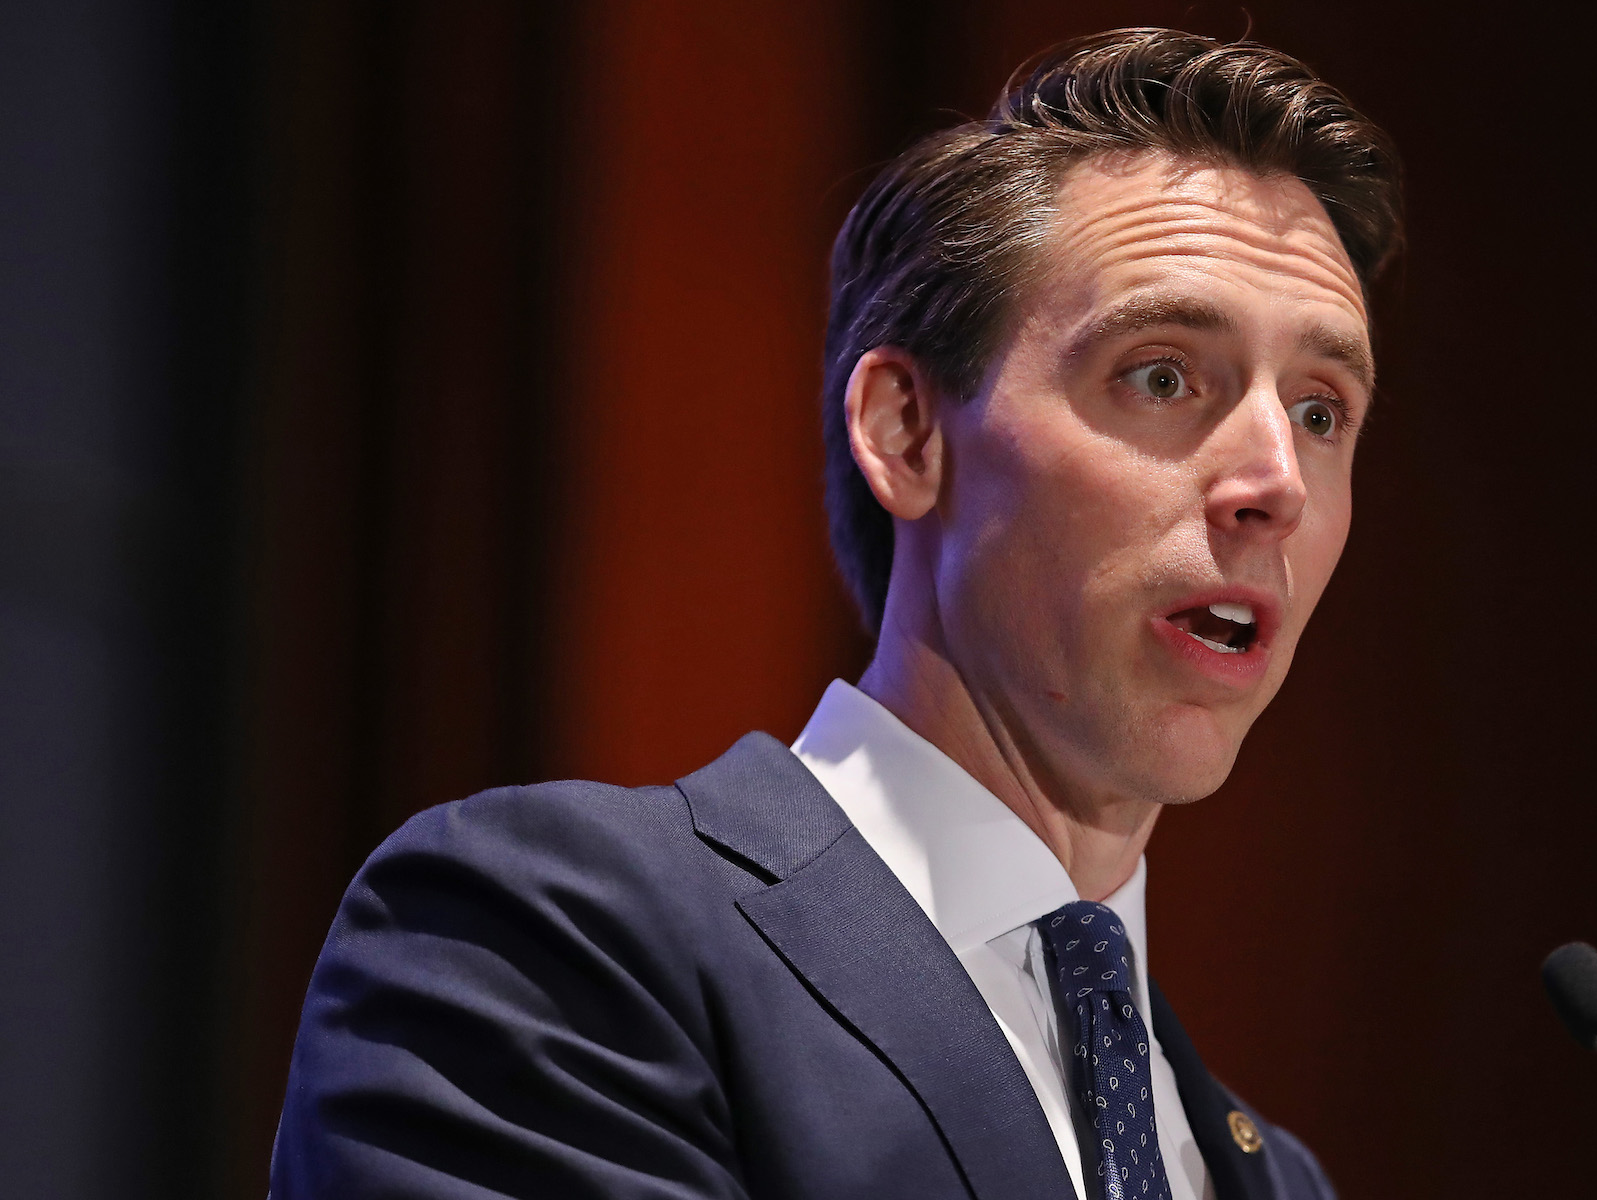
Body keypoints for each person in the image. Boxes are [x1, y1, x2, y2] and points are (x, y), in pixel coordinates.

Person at [270, 27, 1403, 1200]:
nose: (1277, 479)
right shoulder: (557, 939)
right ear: (907, 433)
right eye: (1163, 376)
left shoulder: (1270, 1176)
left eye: (1323, 412)